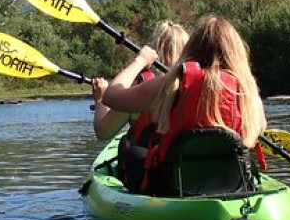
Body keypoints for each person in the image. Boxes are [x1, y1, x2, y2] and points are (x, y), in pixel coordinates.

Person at [102, 15, 266, 194]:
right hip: (233, 184)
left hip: (174, 186)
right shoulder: (247, 89)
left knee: (132, 152)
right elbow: (255, 133)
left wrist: (140, 61)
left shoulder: (173, 83)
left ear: (192, 48)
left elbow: (110, 96)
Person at [91, 20, 188, 190]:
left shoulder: (142, 90)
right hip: (184, 174)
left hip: (148, 180)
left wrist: (99, 99)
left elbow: (103, 131)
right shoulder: (194, 87)